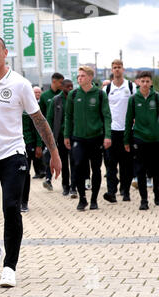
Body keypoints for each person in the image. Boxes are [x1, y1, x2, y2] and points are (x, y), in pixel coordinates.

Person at [0, 34, 61, 287]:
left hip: (13, 153)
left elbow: (38, 120)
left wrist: (54, 153)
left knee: (11, 208)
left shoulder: (20, 84)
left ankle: (10, 266)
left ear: (5, 53)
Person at [64, 66, 112, 211]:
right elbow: (68, 117)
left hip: (96, 137)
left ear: (90, 77)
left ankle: (94, 200)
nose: (79, 78)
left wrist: (108, 136)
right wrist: (67, 135)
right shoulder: (73, 95)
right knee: (78, 166)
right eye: (78, 76)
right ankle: (82, 199)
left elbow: (107, 116)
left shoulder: (99, 95)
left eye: (83, 76)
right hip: (78, 138)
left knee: (96, 169)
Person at [124, 71, 159, 210]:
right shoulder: (133, 99)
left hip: (155, 139)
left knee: (156, 170)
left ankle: (157, 196)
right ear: (138, 82)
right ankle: (144, 200)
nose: (145, 84)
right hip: (139, 138)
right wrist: (126, 140)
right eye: (142, 81)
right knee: (140, 170)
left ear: (151, 82)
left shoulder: (156, 97)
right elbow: (128, 121)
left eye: (147, 81)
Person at [103, 59, 135, 203]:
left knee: (126, 164)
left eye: (119, 67)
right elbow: (103, 111)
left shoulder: (131, 86)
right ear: (111, 70)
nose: (117, 70)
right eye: (114, 67)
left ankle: (126, 190)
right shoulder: (107, 89)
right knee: (110, 163)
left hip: (127, 131)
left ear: (123, 69)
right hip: (111, 132)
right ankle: (111, 192)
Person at [46, 79, 77, 198]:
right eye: (67, 87)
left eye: (71, 87)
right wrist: (50, 137)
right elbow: (49, 118)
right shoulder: (56, 100)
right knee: (63, 161)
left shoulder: (75, 98)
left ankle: (74, 186)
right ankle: (65, 186)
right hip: (60, 136)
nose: (70, 89)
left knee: (75, 161)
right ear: (62, 87)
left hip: (73, 134)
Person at [39, 73, 64, 191]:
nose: (62, 84)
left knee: (62, 156)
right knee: (48, 155)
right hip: (49, 133)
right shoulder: (44, 96)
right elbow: (40, 116)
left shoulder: (63, 95)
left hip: (61, 132)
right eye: (60, 82)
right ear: (54, 81)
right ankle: (48, 179)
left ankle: (66, 182)